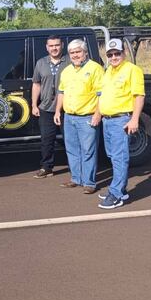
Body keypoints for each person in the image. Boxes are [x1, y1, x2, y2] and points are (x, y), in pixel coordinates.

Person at [94, 39, 145, 209]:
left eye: (117, 53)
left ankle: (116, 195)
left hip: (121, 120)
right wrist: (98, 114)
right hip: (108, 120)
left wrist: (134, 119)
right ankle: (119, 190)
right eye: (110, 54)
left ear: (124, 53)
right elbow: (102, 95)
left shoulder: (132, 70)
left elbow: (139, 96)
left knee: (119, 157)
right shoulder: (108, 71)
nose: (114, 57)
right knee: (112, 156)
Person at [54, 39, 104, 194]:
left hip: (87, 117)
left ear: (85, 52)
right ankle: (76, 178)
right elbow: (61, 92)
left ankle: (89, 182)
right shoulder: (67, 71)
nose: (75, 55)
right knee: (72, 149)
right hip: (69, 117)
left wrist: (98, 114)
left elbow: (101, 94)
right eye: (72, 53)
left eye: (78, 52)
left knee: (88, 150)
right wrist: (57, 111)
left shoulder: (95, 68)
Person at [31, 35, 70, 178]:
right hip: (46, 108)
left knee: (70, 140)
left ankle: (76, 168)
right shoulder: (41, 63)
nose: (54, 48)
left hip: (67, 109)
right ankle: (46, 167)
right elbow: (36, 84)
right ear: (47, 47)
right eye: (51, 45)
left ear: (62, 46)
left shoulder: (70, 61)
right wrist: (34, 104)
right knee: (47, 140)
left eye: (57, 45)